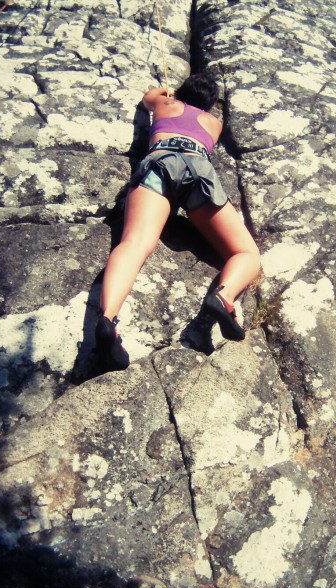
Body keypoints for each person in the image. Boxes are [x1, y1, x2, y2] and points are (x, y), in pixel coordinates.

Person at [94, 72, 261, 371]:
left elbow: (149, 96)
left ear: (180, 91)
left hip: (160, 162)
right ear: (210, 104)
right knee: (246, 253)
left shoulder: (164, 106)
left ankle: (107, 318)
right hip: (198, 170)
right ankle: (224, 298)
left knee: (134, 243)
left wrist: (170, 91)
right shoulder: (214, 124)